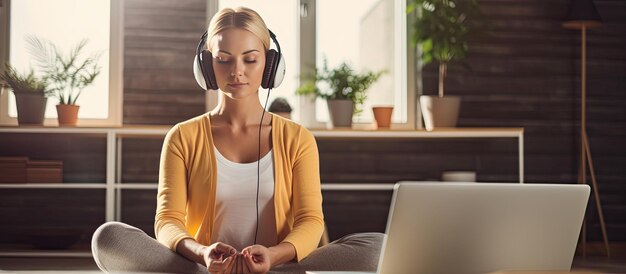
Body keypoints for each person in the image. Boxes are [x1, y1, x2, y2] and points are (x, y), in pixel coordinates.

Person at [91, 7, 382, 274]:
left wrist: (273, 256)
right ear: (206, 66)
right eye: (224, 60)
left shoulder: (297, 138)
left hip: (274, 267)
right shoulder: (182, 137)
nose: (236, 71)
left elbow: (311, 220)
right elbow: (167, 221)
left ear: (270, 66)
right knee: (109, 238)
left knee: (376, 247)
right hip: (203, 267)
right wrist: (202, 253)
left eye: (250, 59)